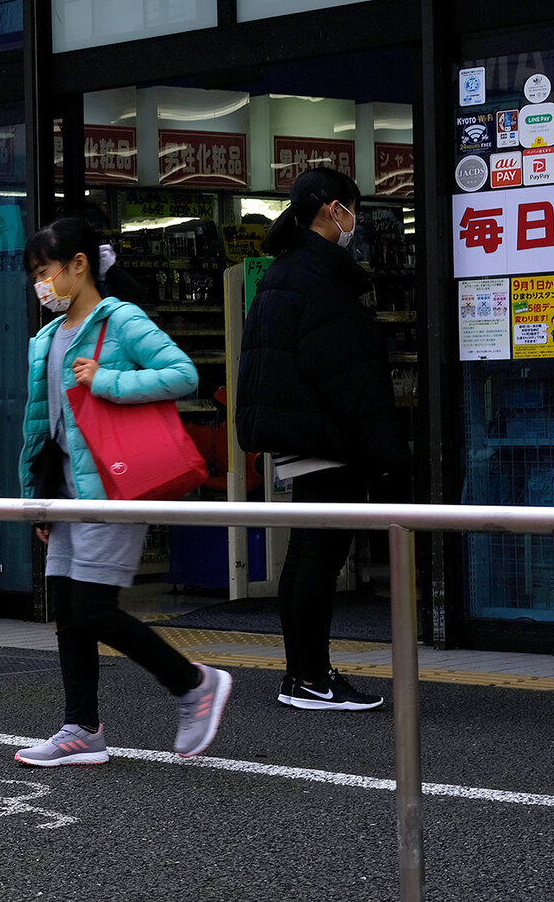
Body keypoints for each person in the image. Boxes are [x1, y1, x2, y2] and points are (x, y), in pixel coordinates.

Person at [13, 218, 234, 767]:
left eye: (46, 271)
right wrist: (37, 495)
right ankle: (80, 728)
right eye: (37, 276)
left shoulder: (120, 319)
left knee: (92, 609)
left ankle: (192, 683)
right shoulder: (48, 337)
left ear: (79, 265)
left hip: (112, 485)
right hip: (65, 490)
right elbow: (44, 425)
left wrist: (106, 380)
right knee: (68, 609)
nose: (41, 284)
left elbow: (183, 374)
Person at [239, 167, 405, 711]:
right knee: (320, 557)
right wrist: (383, 446)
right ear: (335, 209)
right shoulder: (322, 276)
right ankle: (312, 677)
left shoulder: (284, 270)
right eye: (352, 209)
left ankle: (302, 674)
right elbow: (347, 373)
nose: (354, 221)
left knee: (306, 555)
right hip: (327, 437)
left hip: (298, 433)